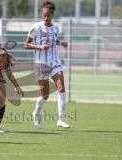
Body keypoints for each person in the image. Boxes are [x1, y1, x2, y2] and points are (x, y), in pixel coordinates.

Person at [24, 0, 70, 128]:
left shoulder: (55, 27)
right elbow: (26, 44)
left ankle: (61, 119)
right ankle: (36, 113)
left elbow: (54, 40)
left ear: (52, 15)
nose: (45, 18)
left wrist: (61, 43)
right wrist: (40, 47)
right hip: (41, 63)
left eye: (48, 16)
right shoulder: (36, 27)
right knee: (45, 95)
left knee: (61, 87)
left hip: (55, 61)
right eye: (43, 16)